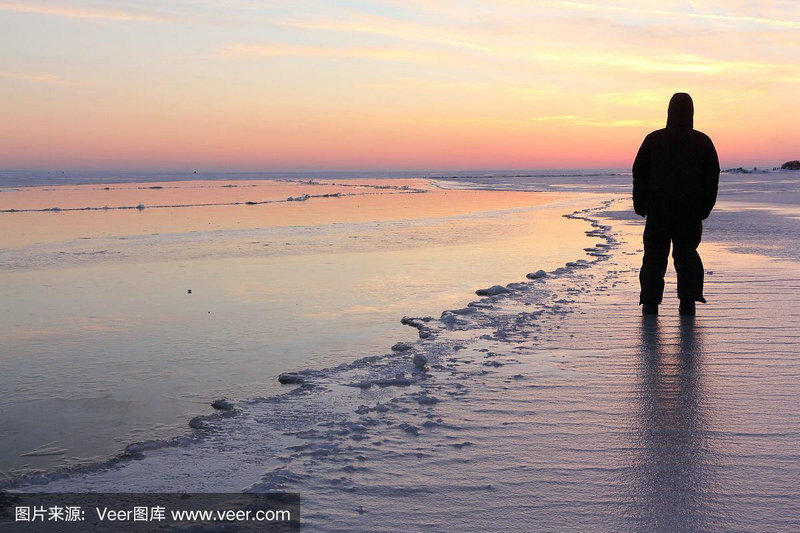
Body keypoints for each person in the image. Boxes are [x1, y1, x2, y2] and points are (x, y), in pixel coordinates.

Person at [632, 93, 720, 316]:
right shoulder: (703, 141)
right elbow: (712, 178)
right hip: (689, 210)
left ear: (669, 112)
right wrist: (705, 207)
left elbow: (639, 173)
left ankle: (650, 304)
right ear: (691, 112)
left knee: (654, 256)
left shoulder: (653, 139)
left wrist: (640, 203)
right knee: (687, 255)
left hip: (658, 209)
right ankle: (687, 302)